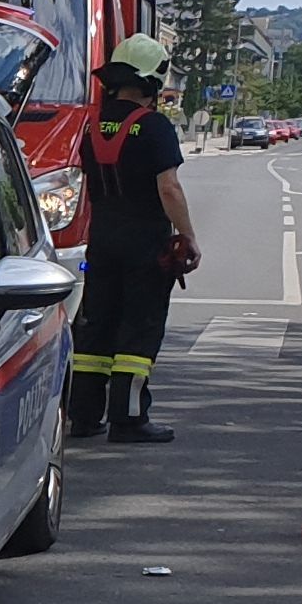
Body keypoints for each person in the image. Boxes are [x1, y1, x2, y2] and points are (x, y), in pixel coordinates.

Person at [65, 33, 199, 444]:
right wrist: (188, 236)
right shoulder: (154, 127)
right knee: (138, 329)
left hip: (103, 239)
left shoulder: (92, 126)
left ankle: (83, 416)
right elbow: (169, 188)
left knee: (96, 325)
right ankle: (128, 419)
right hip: (146, 243)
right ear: (152, 82)